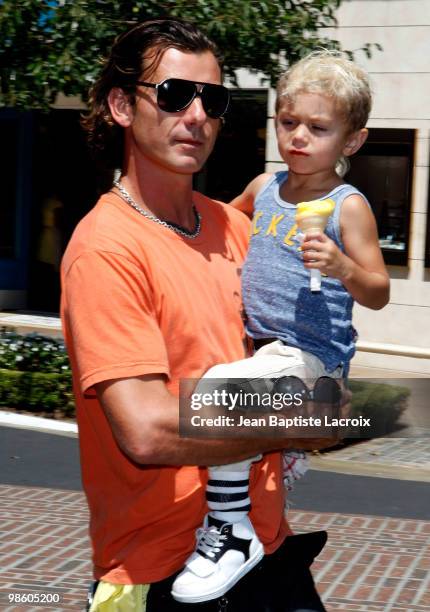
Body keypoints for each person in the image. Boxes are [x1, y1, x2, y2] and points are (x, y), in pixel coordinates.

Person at [61, 19, 336, 612]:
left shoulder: (237, 229)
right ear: (121, 105)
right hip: (157, 577)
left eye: (213, 99)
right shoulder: (105, 248)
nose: (196, 115)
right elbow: (146, 428)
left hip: (266, 556)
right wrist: (307, 419)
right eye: (173, 94)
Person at [172, 50, 390, 603]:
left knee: (219, 392)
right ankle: (244, 531)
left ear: (351, 142)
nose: (299, 137)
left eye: (318, 128)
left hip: (313, 354)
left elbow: (379, 291)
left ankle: (230, 533)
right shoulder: (265, 186)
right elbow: (221, 217)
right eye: (288, 122)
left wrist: (342, 266)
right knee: (222, 399)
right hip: (265, 348)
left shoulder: (348, 207)